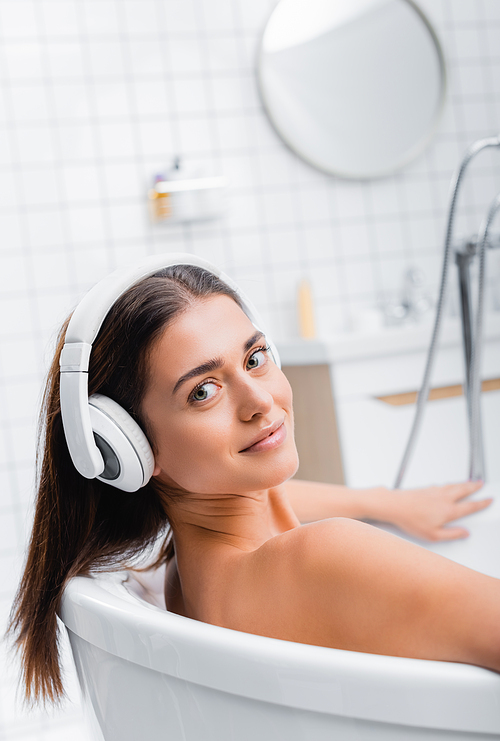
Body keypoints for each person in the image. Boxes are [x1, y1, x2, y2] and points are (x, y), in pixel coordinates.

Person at [8, 260, 497, 707]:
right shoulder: (324, 559)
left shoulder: (189, 570)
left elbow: (281, 498)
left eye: (255, 358)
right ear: (127, 447)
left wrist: (384, 503)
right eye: (203, 392)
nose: (260, 400)